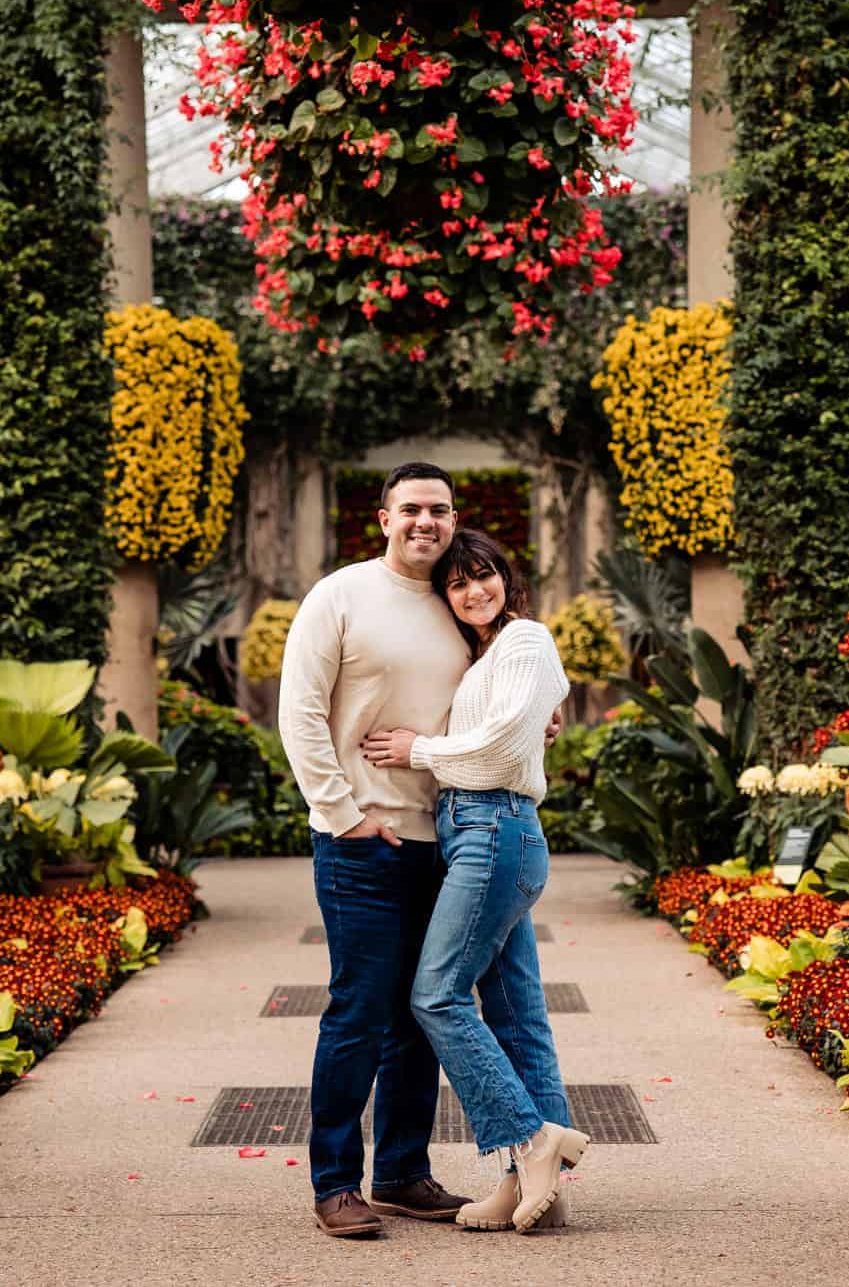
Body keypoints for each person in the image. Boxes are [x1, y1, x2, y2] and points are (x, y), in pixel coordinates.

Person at [362, 528, 588, 1234]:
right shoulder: (491, 653)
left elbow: (495, 749)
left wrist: (416, 750)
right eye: (458, 584)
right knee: (516, 1010)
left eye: (484, 574)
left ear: (505, 576)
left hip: (495, 828)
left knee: (436, 994)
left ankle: (528, 1136)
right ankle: (530, 1181)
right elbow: (513, 726)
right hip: (482, 830)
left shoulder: (524, 639)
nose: (473, 590)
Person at [276, 462, 477, 1238]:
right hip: (362, 843)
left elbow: (491, 698)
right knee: (359, 1012)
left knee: (420, 1016)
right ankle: (335, 1183)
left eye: (441, 510)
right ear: (384, 517)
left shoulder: (462, 602)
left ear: (454, 521)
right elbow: (300, 713)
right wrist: (341, 812)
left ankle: (401, 1172)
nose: (427, 521)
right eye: (413, 509)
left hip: (448, 842)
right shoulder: (340, 595)